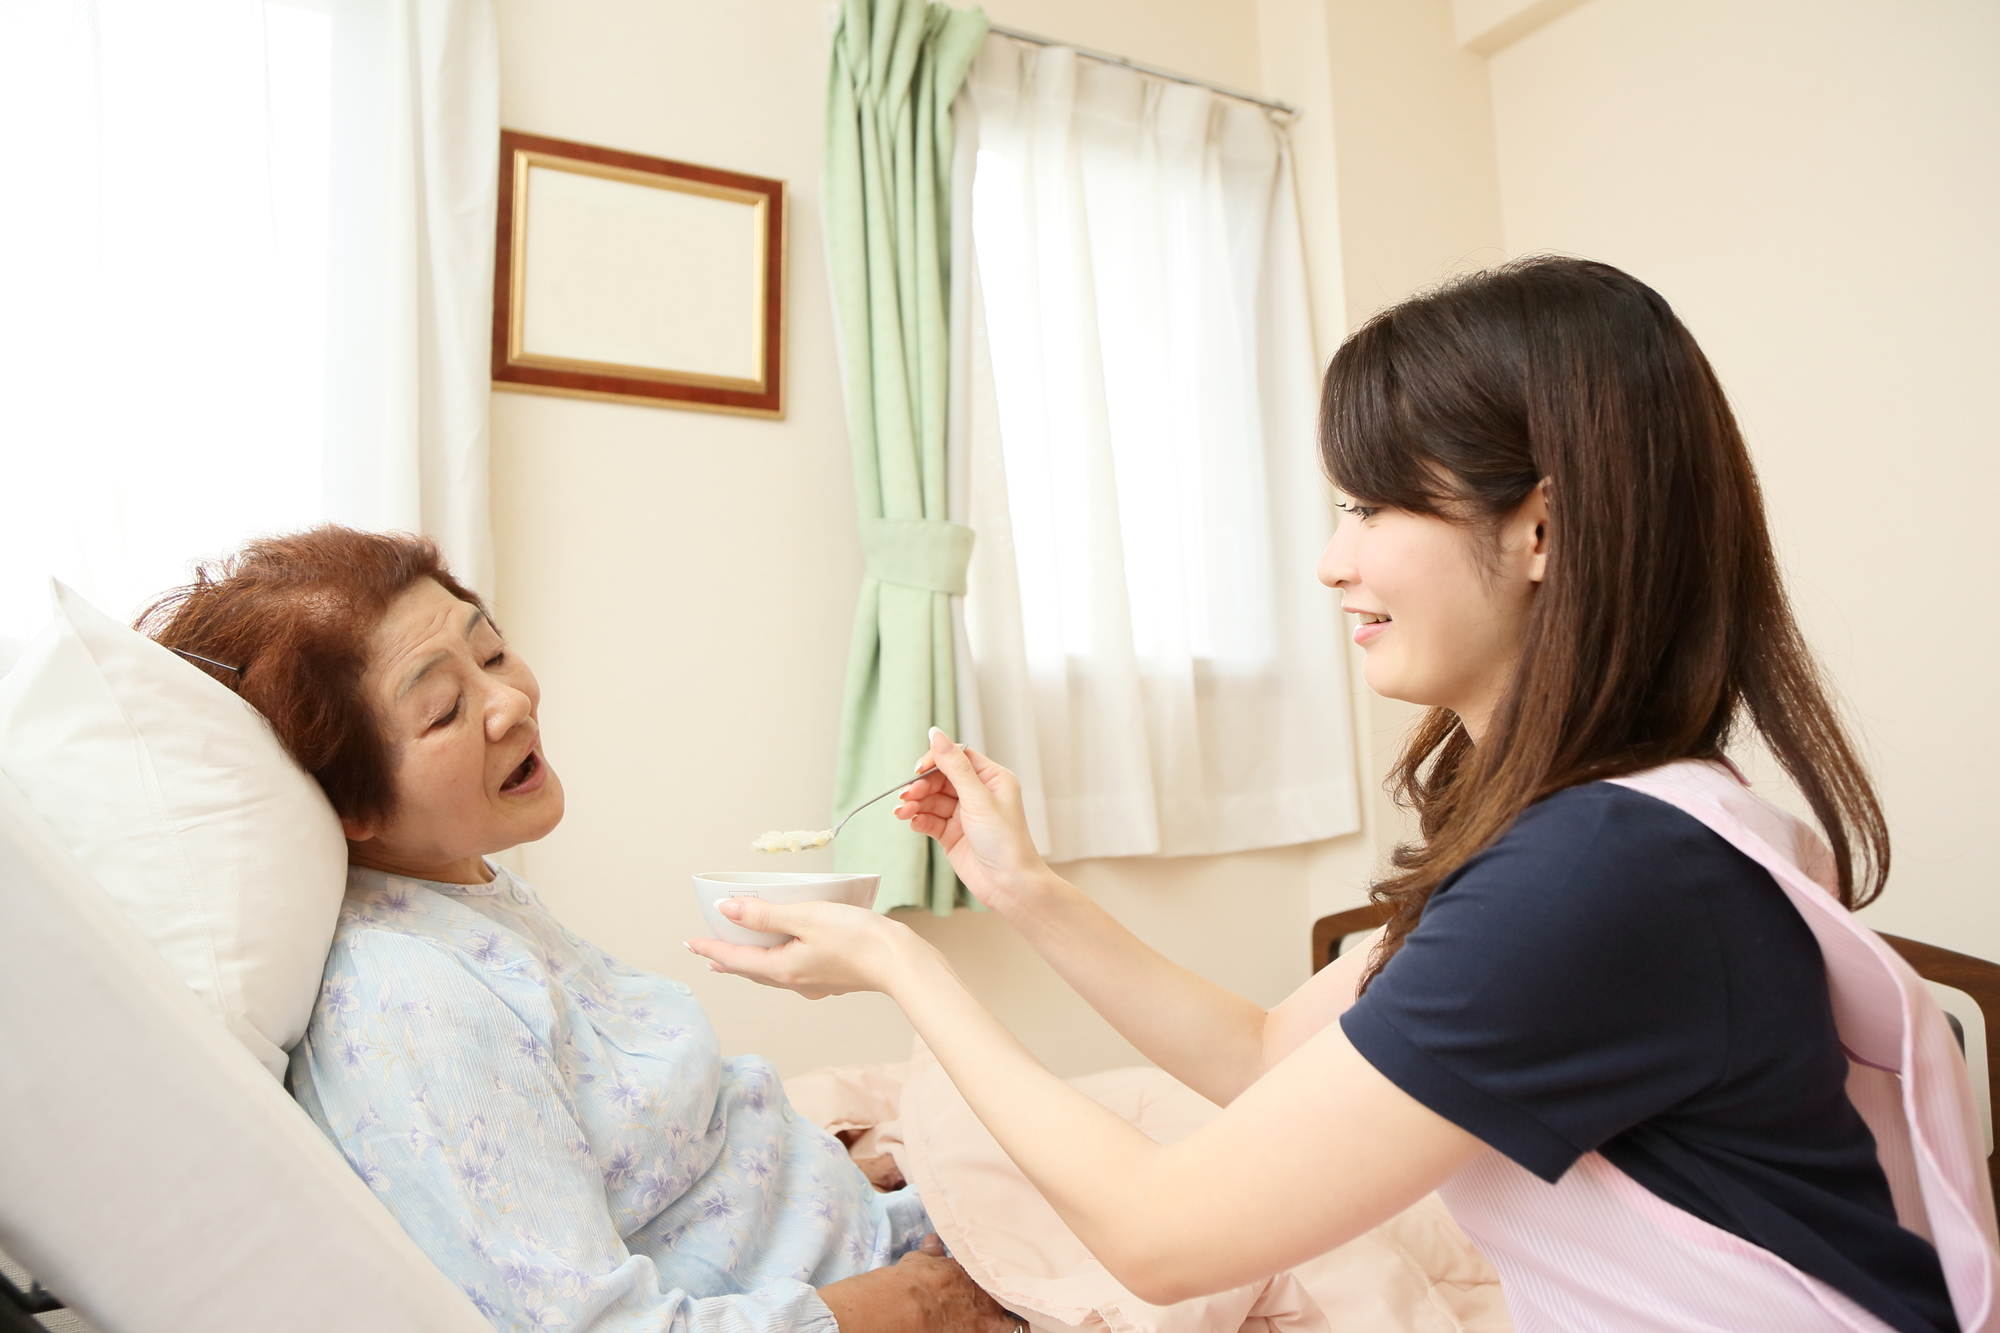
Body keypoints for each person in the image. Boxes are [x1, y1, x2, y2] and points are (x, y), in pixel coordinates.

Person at [690, 257, 1998, 1333]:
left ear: (1541, 528)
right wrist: (1022, 889)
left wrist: (901, 968)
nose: (1332, 562)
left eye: (1373, 506)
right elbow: (1266, 1057)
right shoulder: (1610, 829)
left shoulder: (1600, 876)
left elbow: (1161, 1237)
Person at [140, 528, 1013, 1333]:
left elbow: (620, 1160)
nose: (509, 702)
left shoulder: (472, 891)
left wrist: (800, 1177)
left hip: (865, 1226)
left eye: (490, 652)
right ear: (354, 800)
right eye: (444, 708)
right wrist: (909, 1305)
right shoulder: (409, 999)